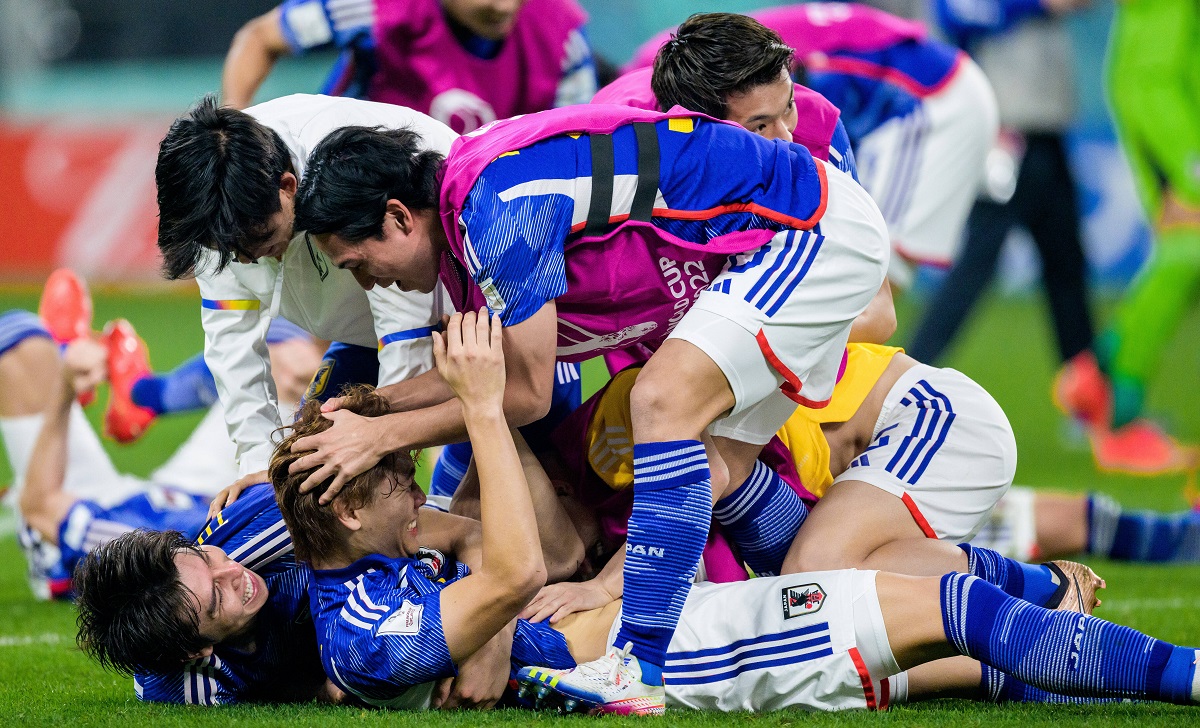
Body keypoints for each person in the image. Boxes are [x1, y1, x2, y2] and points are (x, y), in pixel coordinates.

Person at [288, 101, 890, 713]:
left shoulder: (491, 210)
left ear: (398, 217)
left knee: (660, 403)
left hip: (804, 226)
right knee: (723, 475)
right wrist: (376, 408)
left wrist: (382, 437)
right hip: (777, 238)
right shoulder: (465, 223)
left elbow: (524, 393)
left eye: (358, 264)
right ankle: (908, 584)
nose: (367, 284)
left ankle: (638, 665)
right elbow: (487, 371)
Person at [273, 317, 1200, 713]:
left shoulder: (376, 575)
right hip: (692, 656)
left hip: (682, 628)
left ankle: (1049, 598)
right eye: (392, 480)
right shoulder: (364, 637)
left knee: (950, 642)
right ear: (348, 511)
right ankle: (1154, 656)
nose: (415, 489)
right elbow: (513, 572)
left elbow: (495, 563)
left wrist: (494, 618)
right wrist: (479, 408)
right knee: (947, 620)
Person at [154, 93, 457, 492]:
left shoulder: (350, 169)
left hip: (473, 317)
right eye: (230, 252)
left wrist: (384, 446)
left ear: (288, 186)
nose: (246, 259)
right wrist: (259, 465)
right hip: (363, 336)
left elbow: (407, 328)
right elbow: (232, 344)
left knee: (466, 494)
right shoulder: (214, 207)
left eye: (261, 238)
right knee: (304, 479)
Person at [625, 5, 998, 289]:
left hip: (932, 103)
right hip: (908, 99)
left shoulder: (657, 79)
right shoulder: (681, 58)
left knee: (873, 263)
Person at [1053, 0, 1200, 472]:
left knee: (1185, 253)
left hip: (1174, 99)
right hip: (1165, 104)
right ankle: (1117, 410)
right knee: (1188, 252)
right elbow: (1152, 73)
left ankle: (1099, 374)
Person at [221, 0, 597, 133]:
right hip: (350, 192)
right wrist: (230, 125)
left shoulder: (562, 38)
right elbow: (259, 39)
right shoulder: (374, 8)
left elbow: (575, 144)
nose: (503, 6)